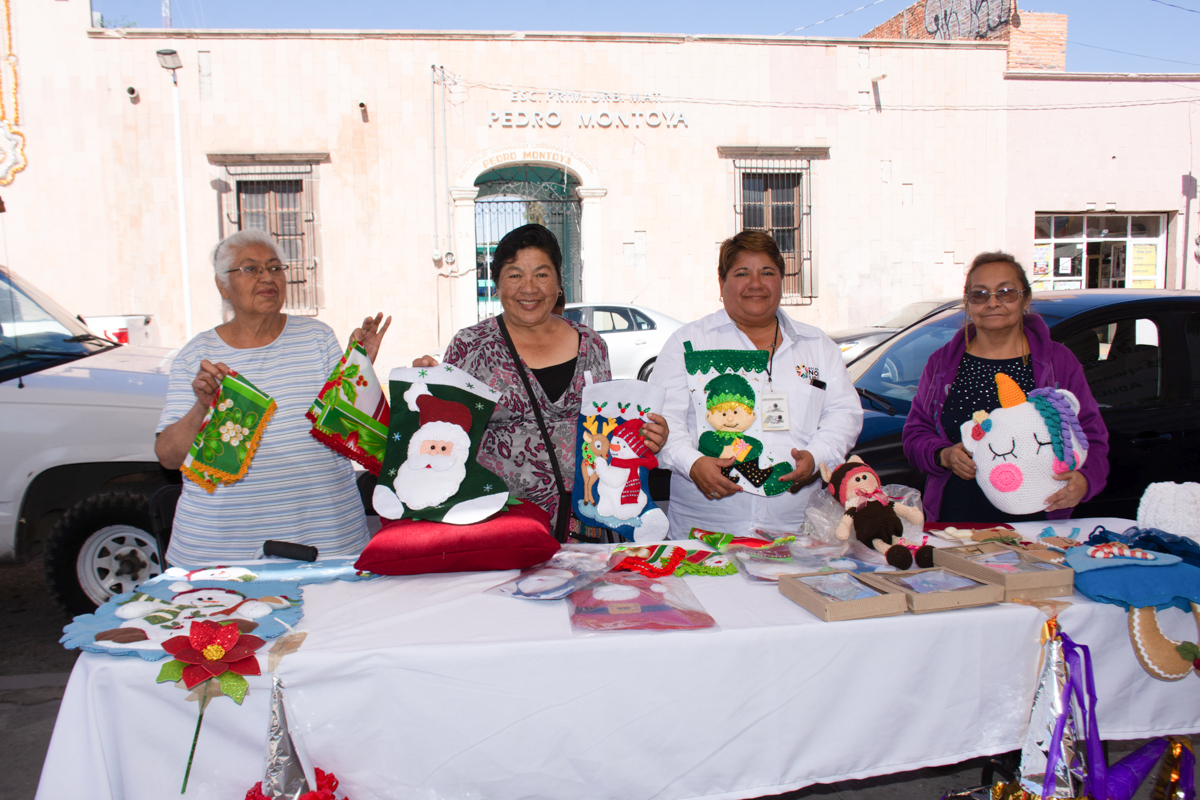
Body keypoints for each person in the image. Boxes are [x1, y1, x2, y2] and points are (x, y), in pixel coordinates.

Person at [155, 229, 391, 567]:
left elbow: (350, 431)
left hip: (325, 536)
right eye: (250, 268)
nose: (267, 277)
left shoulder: (317, 338)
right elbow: (168, 457)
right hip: (221, 549)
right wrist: (202, 408)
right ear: (223, 285)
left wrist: (359, 368)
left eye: (275, 268)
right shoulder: (197, 355)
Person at [413, 224, 667, 525]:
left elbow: (605, 425)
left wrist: (646, 436)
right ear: (497, 285)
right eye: (515, 275)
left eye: (542, 274)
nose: (529, 288)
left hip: (583, 516)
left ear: (559, 283)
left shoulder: (592, 344)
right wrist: (425, 388)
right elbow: (445, 430)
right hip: (499, 518)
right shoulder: (471, 345)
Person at [650, 230, 863, 538]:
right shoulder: (688, 343)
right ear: (721, 283)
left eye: (767, 272)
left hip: (797, 530)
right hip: (705, 529)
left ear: (781, 280)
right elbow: (663, 419)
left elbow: (844, 414)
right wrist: (693, 463)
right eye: (741, 273)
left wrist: (817, 457)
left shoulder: (817, 346)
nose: (755, 283)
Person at [902, 251, 1109, 523]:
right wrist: (943, 455)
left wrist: (1086, 480)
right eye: (980, 294)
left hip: (1039, 525)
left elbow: (1092, 436)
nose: (993, 303)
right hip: (955, 526)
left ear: (1026, 299)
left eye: (1006, 292)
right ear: (967, 304)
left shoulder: (1058, 362)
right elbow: (915, 434)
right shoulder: (942, 364)